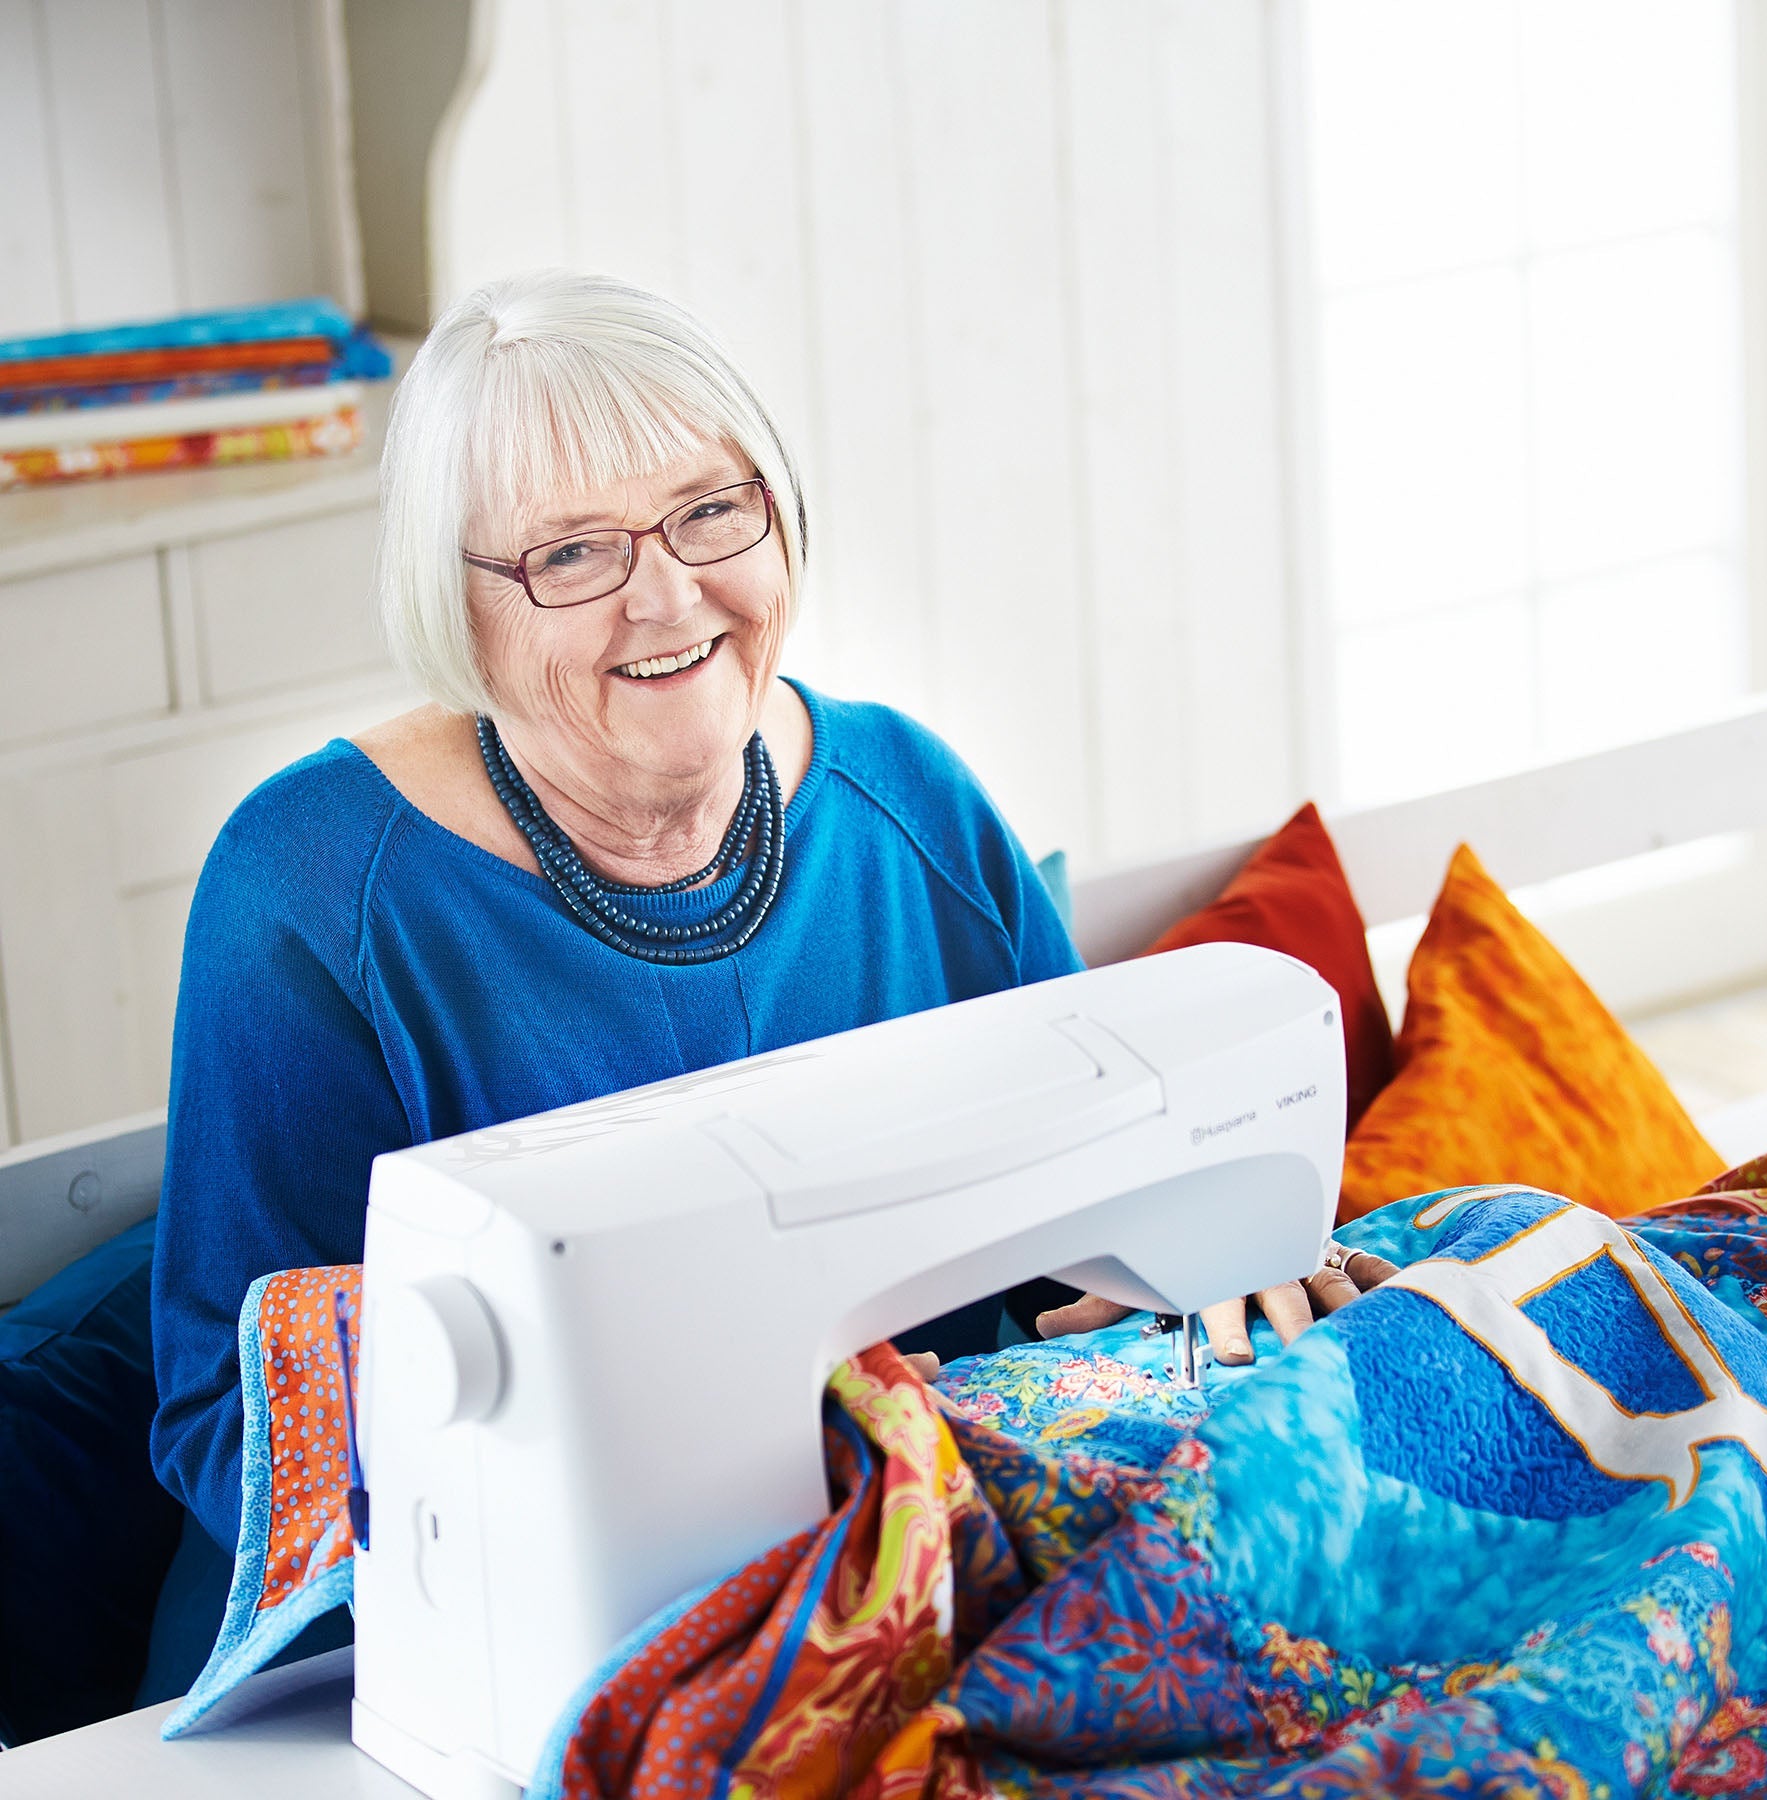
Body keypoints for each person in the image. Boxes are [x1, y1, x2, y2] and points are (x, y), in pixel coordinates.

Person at [147, 271, 1381, 1666]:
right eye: (573, 553)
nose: (669, 595)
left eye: (710, 510)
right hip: (414, 1665)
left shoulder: (910, 803)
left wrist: (1212, 1282)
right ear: (460, 603)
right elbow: (228, 1425)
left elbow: (1094, 1232)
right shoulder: (311, 892)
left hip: (905, 1585)